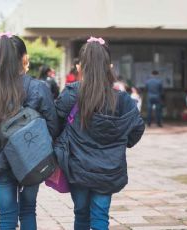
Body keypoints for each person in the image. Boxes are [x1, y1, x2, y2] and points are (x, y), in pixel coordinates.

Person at [54, 37, 145, 230]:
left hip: (76, 167)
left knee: (81, 214)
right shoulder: (122, 100)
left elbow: (54, 124)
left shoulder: (71, 94)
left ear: (80, 67)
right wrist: (120, 141)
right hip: (109, 169)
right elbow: (137, 128)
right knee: (100, 216)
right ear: (109, 66)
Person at [0, 33, 59, 230]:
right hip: (32, 161)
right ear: (24, 58)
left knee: (7, 217)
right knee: (28, 210)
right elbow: (53, 126)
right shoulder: (37, 88)